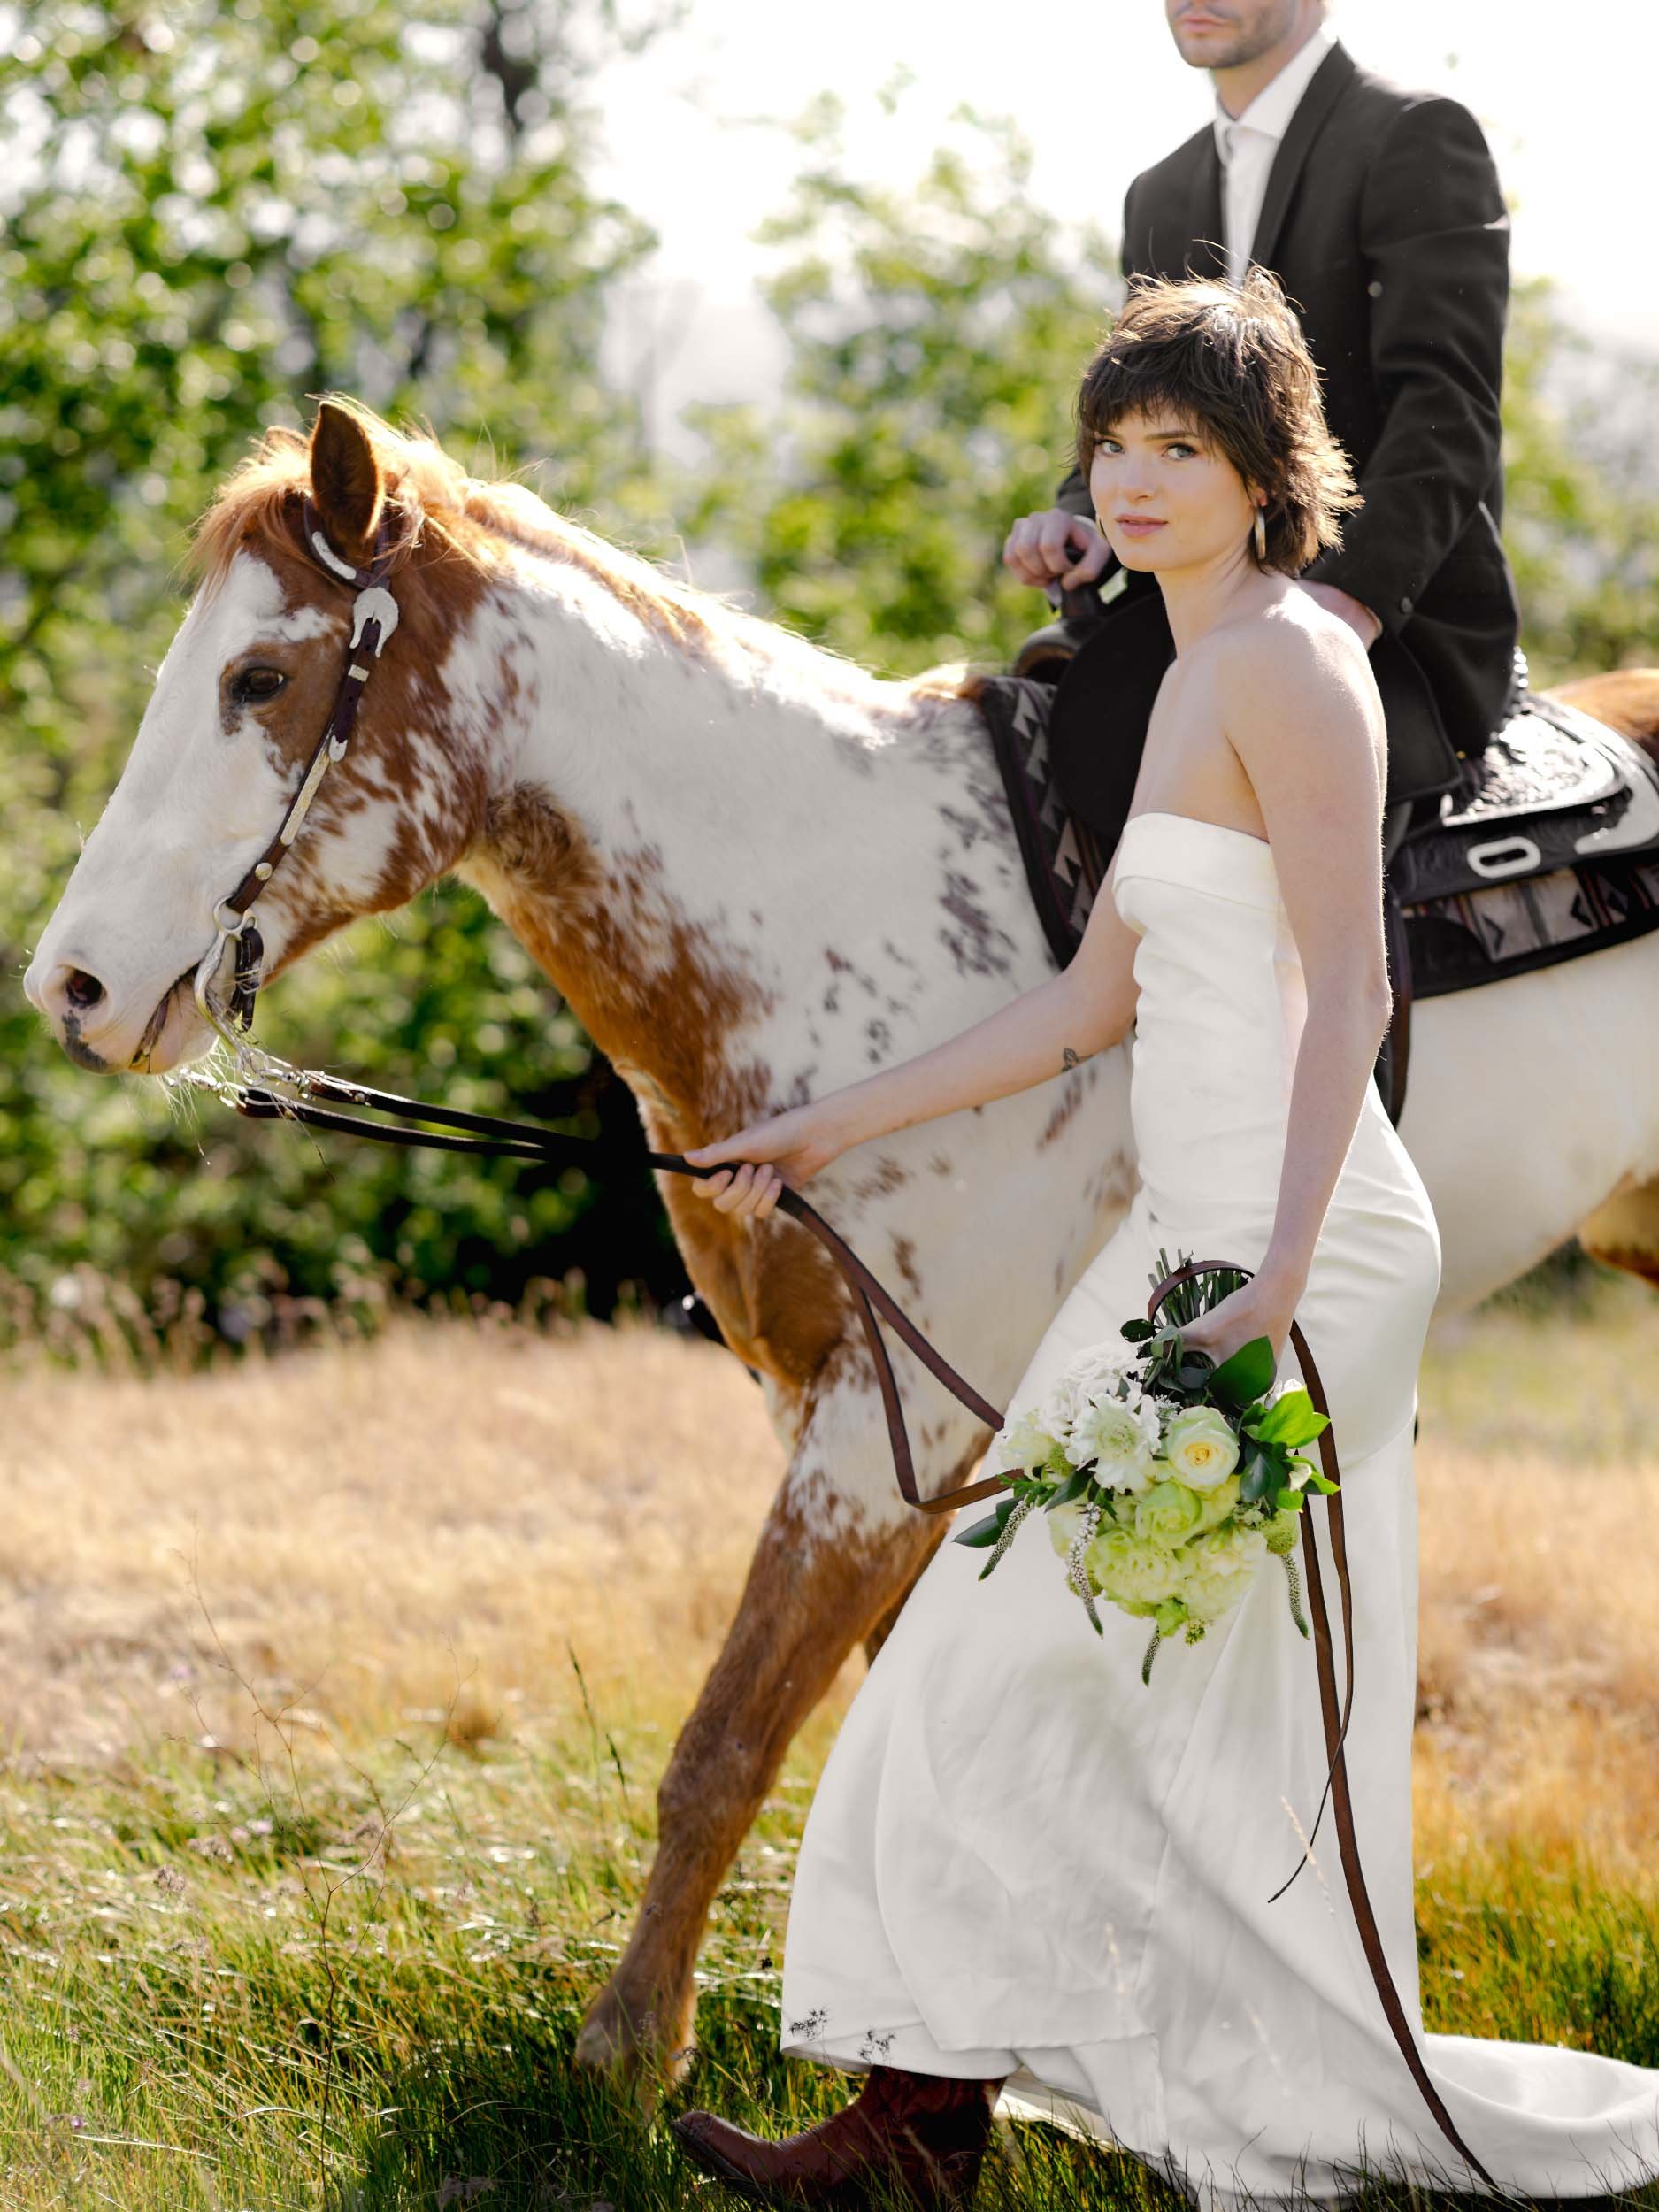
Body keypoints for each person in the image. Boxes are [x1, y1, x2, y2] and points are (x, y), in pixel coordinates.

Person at [664, 273, 1659, 2210]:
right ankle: (924, 2125)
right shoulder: (1192, 668)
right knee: (1029, 1674)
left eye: (1176, 449)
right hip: (1188, 1247)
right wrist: (812, 1127)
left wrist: (1278, 1274)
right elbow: (1077, 1011)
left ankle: (943, 2122)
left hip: (1287, 1255)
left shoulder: (1288, 662)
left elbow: (1349, 984)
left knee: (1025, 1669)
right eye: (1114, 443)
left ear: (1259, 472)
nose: (1129, 481)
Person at [1004, 0, 1522, 853]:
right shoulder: (1159, 190)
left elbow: (1447, 407)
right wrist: (1083, 516)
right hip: (1194, 615)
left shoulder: (1415, 134)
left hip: (1392, 620)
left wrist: (1339, 605)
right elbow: (1142, 405)